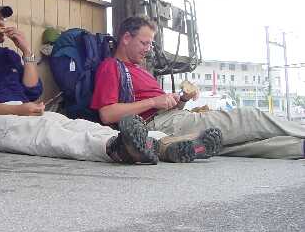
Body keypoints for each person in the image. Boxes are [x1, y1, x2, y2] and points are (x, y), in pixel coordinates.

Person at [0, 0, 167, 164]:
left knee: (72, 124)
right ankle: (114, 147)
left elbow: (32, 91)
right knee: (50, 134)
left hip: (25, 112)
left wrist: (27, 51)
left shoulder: (8, 56)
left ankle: (159, 141)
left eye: (1, 18)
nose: (0, 23)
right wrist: (18, 110)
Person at [91, 16, 305, 160]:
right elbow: (107, 114)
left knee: (231, 144)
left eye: (150, 44)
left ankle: (298, 148)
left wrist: (181, 99)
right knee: (249, 117)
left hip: (168, 120)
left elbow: (162, 107)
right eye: (144, 43)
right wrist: (154, 101)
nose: (148, 50)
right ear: (126, 38)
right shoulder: (111, 67)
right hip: (155, 124)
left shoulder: (139, 70)